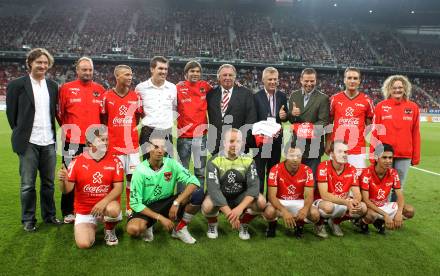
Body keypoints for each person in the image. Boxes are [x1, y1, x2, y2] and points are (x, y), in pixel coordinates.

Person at [6, 48, 61, 232]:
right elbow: (11, 114)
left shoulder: (53, 86)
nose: (43, 66)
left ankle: (49, 216)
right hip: (28, 142)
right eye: (39, 62)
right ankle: (28, 219)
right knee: (28, 185)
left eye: (46, 63)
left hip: (49, 141)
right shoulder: (17, 85)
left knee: (48, 183)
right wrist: (22, 132)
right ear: (30, 63)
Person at [57, 56, 106, 224]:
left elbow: (103, 116)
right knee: (69, 176)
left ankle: (89, 209)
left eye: (90, 70)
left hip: (94, 142)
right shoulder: (66, 88)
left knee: (92, 177)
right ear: (77, 70)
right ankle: (68, 211)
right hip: (72, 141)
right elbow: (60, 114)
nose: (87, 72)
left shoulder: (100, 89)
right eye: (84, 69)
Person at [126, 136, 200, 244]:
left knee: (197, 194)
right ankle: (148, 225)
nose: (160, 151)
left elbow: (194, 182)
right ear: (148, 149)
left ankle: (180, 228)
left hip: (166, 203)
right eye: (156, 147)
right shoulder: (140, 170)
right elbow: (135, 204)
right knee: (133, 229)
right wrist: (160, 218)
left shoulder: (172, 164)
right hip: (147, 207)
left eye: (163, 147)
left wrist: (176, 202)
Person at [58, 125, 124, 248]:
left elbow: (118, 188)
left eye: (106, 139)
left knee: (113, 209)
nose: (105, 143)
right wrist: (62, 181)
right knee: (84, 244)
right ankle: (91, 225)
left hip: (106, 207)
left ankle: (109, 230)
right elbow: (67, 190)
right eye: (101, 140)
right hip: (85, 210)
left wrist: (103, 202)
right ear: (89, 143)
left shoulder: (115, 161)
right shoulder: (76, 161)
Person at [202, 128, 266, 240]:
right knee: (207, 205)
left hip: (239, 197)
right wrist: (230, 215)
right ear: (224, 143)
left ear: (242, 143)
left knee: (261, 202)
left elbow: (254, 187)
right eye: (231, 141)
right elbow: (214, 190)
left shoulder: (248, 160)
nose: (235, 145)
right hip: (221, 195)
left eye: (238, 141)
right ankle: (212, 224)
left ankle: (244, 223)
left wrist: (240, 209)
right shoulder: (214, 161)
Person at [100, 65, 143, 216]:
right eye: (126, 75)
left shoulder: (136, 97)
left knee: (132, 177)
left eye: (131, 74)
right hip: (114, 147)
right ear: (117, 76)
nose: (130, 77)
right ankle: (115, 207)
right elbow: (104, 119)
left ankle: (130, 208)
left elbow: (137, 118)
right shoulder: (106, 97)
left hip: (131, 146)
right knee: (115, 180)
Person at [370, 75, 420, 201]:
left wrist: (416, 156)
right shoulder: (381, 106)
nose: (397, 90)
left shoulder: (413, 107)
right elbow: (375, 133)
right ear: (389, 89)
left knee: (399, 186)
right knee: (384, 186)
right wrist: (373, 154)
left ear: (405, 89)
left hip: (404, 154)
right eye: (394, 87)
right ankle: (383, 215)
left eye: (400, 87)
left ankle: (394, 215)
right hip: (385, 154)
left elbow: (415, 133)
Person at [176, 60, 212, 225]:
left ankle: (196, 202)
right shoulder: (178, 88)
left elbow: (220, 92)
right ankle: (181, 203)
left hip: (201, 137)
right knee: (182, 172)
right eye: (192, 71)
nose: (195, 74)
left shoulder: (206, 86)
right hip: (184, 137)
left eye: (197, 71)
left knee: (199, 172)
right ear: (186, 73)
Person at [263, 146, 320, 239]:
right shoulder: (275, 169)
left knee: (315, 214)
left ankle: (299, 225)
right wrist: (284, 211)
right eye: (292, 156)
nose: (295, 159)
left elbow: (309, 196)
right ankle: (272, 225)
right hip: (280, 200)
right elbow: (271, 197)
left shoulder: (307, 170)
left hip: (298, 201)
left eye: (298, 156)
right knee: (269, 212)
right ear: (285, 155)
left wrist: (305, 209)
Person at [314, 141, 367, 238]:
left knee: (363, 208)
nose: (344, 154)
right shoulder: (323, 166)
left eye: (346, 152)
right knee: (328, 207)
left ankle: (335, 222)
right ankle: (319, 223)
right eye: (340, 152)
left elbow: (357, 193)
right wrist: (346, 203)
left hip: (342, 200)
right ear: (332, 154)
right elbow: (324, 195)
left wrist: (356, 202)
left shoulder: (352, 169)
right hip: (324, 201)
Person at [359, 144, 415, 234]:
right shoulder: (366, 173)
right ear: (377, 158)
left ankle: (380, 221)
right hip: (370, 207)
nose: (388, 161)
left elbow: (399, 195)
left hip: (384, 205)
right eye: (384, 158)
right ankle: (362, 223)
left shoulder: (393, 173)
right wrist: (385, 215)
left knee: (410, 210)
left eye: (390, 158)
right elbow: (366, 200)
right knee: (371, 215)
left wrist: (399, 212)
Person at [326, 67, 374, 172]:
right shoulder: (334, 99)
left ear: (359, 81)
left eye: (355, 78)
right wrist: (328, 141)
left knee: (356, 185)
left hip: (357, 151)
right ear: (344, 80)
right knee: (336, 185)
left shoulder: (367, 100)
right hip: (337, 149)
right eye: (349, 78)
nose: (352, 81)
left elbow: (370, 128)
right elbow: (329, 122)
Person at [286, 68, 329, 178]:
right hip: (297, 145)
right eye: (306, 81)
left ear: (316, 80)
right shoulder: (294, 95)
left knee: (311, 181)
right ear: (301, 80)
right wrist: (292, 114)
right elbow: (291, 120)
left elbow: (323, 121)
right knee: (296, 180)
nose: (309, 84)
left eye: (312, 81)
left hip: (314, 146)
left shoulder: (323, 98)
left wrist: (305, 129)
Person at [206, 64, 257, 155]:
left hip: (237, 144)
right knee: (217, 169)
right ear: (219, 77)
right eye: (224, 75)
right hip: (216, 144)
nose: (227, 77)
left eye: (230, 75)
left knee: (237, 169)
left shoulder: (246, 94)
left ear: (235, 77)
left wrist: (242, 139)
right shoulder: (210, 94)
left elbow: (251, 119)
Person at [253, 67, 288, 193]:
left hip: (276, 140)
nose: (273, 82)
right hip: (261, 141)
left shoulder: (282, 96)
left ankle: (271, 201)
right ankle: (259, 200)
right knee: (259, 172)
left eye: (275, 79)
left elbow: (285, 116)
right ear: (263, 80)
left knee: (273, 172)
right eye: (270, 79)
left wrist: (284, 116)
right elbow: (253, 119)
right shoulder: (256, 96)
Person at [135, 56, 176, 160]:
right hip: (148, 132)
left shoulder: (172, 88)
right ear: (152, 69)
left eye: (166, 69)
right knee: (148, 168)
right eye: (160, 68)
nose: (164, 72)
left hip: (166, 132)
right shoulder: (140, 88)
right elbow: (137, 111)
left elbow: (174, 107)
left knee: (167, 169)